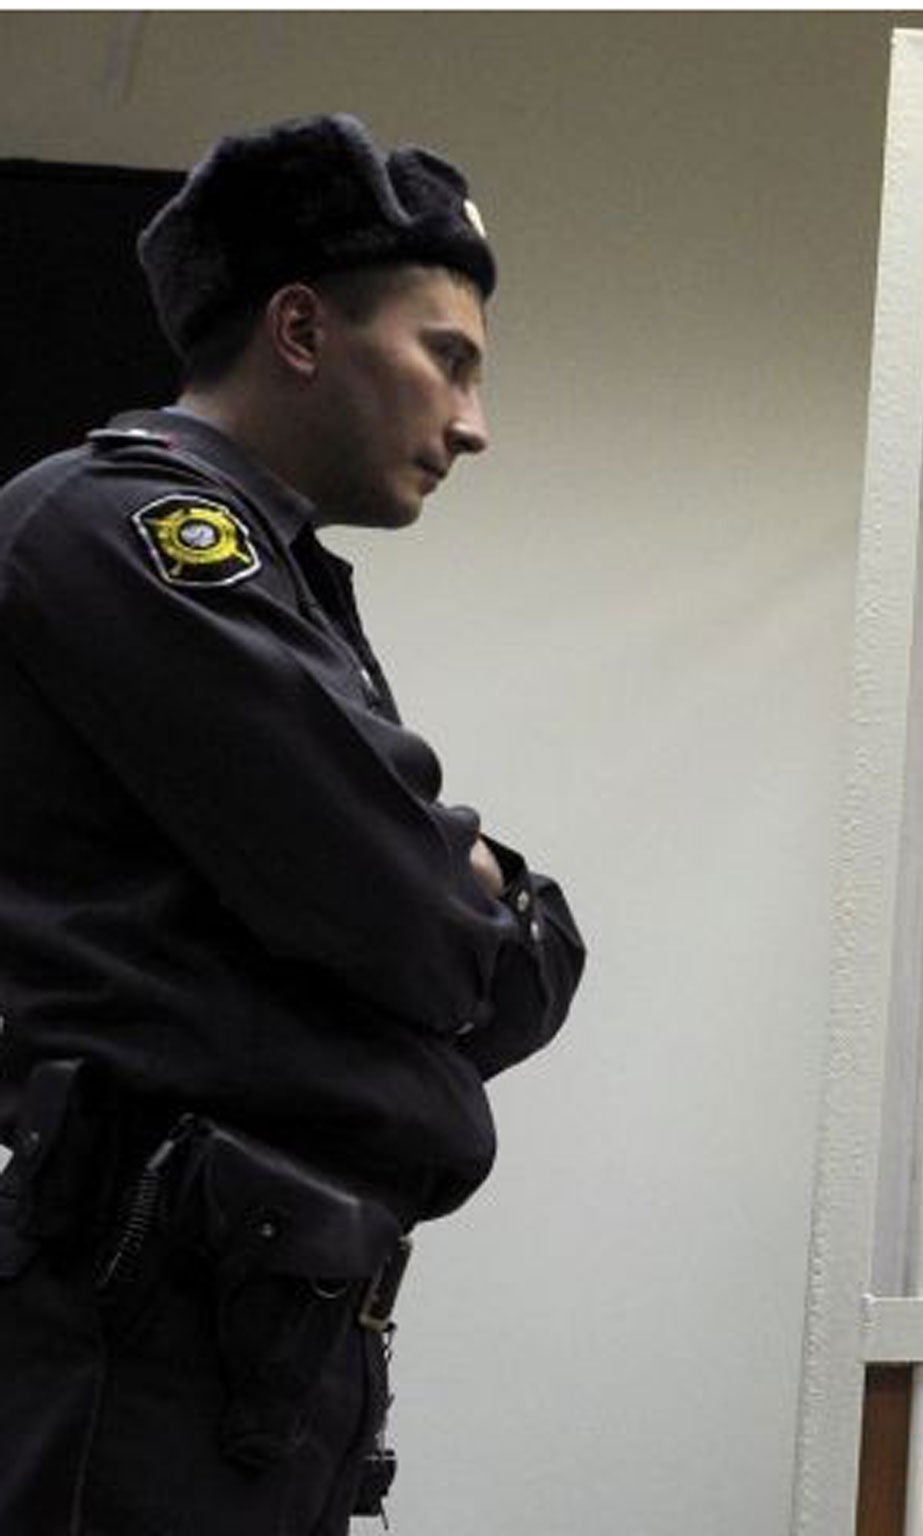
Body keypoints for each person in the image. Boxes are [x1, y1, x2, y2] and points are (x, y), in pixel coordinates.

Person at [0, 114, 585, 1533]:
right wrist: (459, 869)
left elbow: (517, 970)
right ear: (304, 329)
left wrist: (466, 888)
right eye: (447, 357)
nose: (473, 422)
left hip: (247, 1313)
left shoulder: (272, 569)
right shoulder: (127, 531)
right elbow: (420, 920)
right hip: (138, 1318)